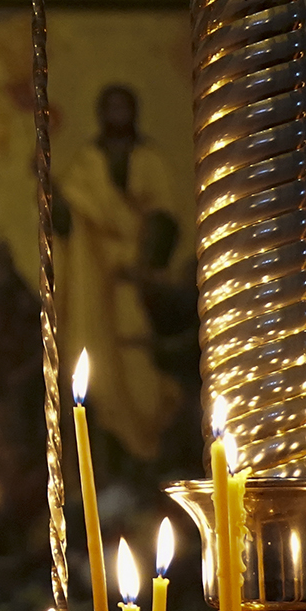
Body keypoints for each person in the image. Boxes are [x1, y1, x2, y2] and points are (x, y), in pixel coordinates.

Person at [52, 84, 193, 461]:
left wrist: (146, 261)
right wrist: (52, 193)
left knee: (140, 366)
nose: (117, 114)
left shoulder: (150, 159)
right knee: (100, 367)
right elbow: (67, 218)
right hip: (94, 278)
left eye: (122, 107)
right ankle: (113, 457)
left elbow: (164, 217)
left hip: (138, 279)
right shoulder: (87, 162)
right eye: (110, 107)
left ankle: (150, 452)